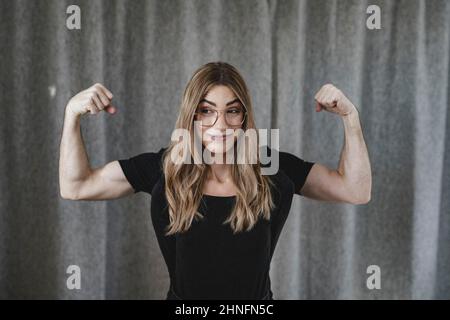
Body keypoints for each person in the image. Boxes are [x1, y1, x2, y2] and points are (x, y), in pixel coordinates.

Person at [59, 61, 371, 300]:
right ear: (191, 115)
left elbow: (355, 190)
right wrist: (72, 114)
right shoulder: (166, 166)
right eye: (206, 111)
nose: (220, 124)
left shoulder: (270, 167)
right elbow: (76, 186)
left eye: (232, 111)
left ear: (244, 117)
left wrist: (350, 118)